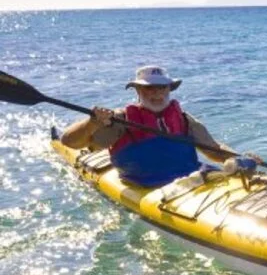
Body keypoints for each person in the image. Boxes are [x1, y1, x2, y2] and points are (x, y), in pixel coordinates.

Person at [61, 65, 248, 187]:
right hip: (144, 184)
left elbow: (214, 151)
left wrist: (240, 160)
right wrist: (91, 123)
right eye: (149, 88)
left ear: (169, 89)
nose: (157, 94)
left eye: (162, 87)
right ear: (137, 90)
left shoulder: (184, 120)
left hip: (192, 180)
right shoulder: (121, 120)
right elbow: (70, 142)